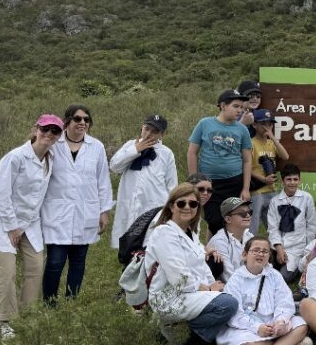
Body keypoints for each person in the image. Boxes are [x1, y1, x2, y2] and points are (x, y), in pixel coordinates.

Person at [0, 114, 62, 340]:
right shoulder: (16, 157)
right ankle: (5, 321)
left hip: (30, 222)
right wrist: (12, 227)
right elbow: (2, 194)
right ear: (36, 130)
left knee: (35, 266)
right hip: (3, 222)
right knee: (6, 272)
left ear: (58, 136)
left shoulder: (51, 158)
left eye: (55, 131)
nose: (49, 134)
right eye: (45, 129)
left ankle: (28, 314)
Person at [144, 183, 238, 345]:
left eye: (193, 204)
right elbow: (179, 279)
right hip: (170, 297)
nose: (187, 207)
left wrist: (215, 286)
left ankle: (200, 331)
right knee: (228, 304)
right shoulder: (164, 233)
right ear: (171, 206)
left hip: (191, 293)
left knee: (232, 297)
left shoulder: (190, 233)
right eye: (181, 203)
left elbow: (203, 267)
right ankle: (186, 336)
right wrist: (209, 290)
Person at [41, 104, 114, 302]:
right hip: (57, 213)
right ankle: (49, 303)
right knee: (55, 262)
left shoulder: (96, 146)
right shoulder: (54, 143)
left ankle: (71, 302)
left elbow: (103, 180)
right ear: (67, 121)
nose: (82, 123)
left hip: (86, 212)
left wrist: (104, 211)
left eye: (86, 119)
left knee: (78, 262)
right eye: (77, 119)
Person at [216, 236, 312, 345]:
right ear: (245, 255)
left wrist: (280, 321)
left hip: (273, 325)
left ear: (269, 256)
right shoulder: (236, 280)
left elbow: (284, 302)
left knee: (301, 325)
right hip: (245, 329)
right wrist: (257, 328)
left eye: (265, 251)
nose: (260, 254)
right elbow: (235, 314)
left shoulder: (274, 275)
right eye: (256, 250)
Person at [187, 89, 252, 235]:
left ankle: (220, 249)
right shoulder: (205, 123)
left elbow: (247, 160)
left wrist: (246, 188)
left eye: (241, 107)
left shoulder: (242, 129)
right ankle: (213, 248)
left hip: (234, 182)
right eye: (236, 106)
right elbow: (192, 152)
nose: (240, 110)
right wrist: (194, 181)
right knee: (214, 220)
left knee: (231, 220)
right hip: (209, 183)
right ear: (223, 106)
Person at [109, 114, 177, 249]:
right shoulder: (130, 145)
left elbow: (172, 185)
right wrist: (135, 150)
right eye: (147, 129)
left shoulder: (166, 153)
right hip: (130, 203)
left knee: (151, 244)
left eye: (155, 131)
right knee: (128, 244)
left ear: (162, 134)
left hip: (154, 206)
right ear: (142, 128)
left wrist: (171, 211)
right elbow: (114, 166)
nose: (149, 134)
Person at [266, 163, 316, 283]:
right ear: (283, 181)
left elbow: (312, 225)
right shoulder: (275, 201)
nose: (292, 183)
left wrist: (307, 251)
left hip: (297, 249)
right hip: (277, 247)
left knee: (283, 278)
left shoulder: (306, 198)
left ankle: (295, 267)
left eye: (295, 179)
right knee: (263, 270)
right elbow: (272, 228)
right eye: (289, 179)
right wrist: (279, 248)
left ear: (300, 180)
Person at [247, 108, 289, 234]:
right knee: (253, 225)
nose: (267, 127)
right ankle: (250, 245)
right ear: (254, 125)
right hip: (257, 191)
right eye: (263, 124)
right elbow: (246, 168)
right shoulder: (251, 143)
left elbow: (285, 156)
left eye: (270, 124)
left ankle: (276, 246)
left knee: (274, 226)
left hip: (271, 190)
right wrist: (264, 179)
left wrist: (273, 137)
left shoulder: (271, 143)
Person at [206, 197, 254, 282]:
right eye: (242, 214)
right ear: (228, 219)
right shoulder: (219, 242)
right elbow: (229, 277)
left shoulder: (250, 237)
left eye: (249, 212)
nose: (248, 215)